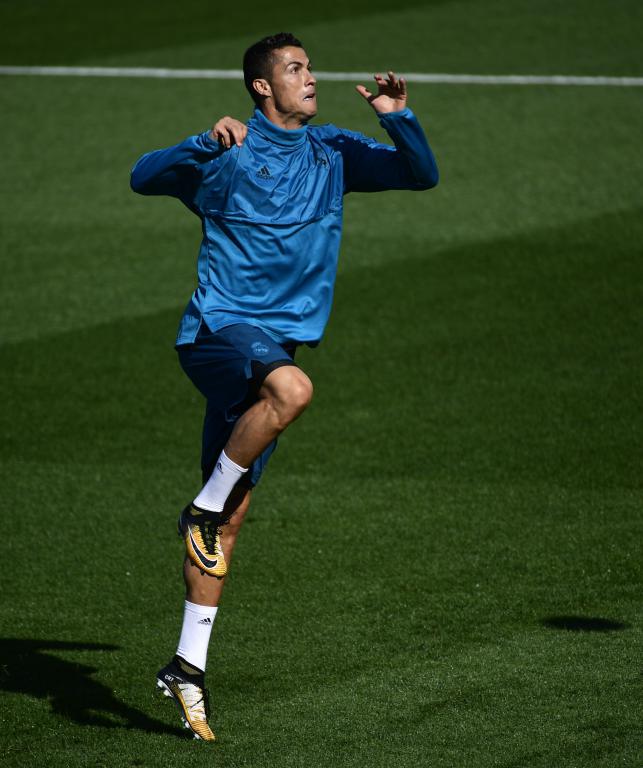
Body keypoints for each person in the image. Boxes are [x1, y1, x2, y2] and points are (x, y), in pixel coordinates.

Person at [130, 31, 438, 741]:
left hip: (268, 354)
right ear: (261, 86)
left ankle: (187, 665)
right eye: (295, 69)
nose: (310, 78)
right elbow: (143, 177)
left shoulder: (332, 152)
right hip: (219, 334)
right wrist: (199, 146)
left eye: (310, 68)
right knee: (294, 393)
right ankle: (200, 510)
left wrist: (397, 116)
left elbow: (418, 175)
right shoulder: (228, 151)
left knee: (231, 519)